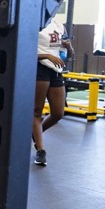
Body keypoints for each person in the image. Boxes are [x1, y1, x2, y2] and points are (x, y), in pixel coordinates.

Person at [33, 15, 69, 166]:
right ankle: (40, 150)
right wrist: (46, 55)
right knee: (36, 111)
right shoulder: (35, 23)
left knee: (58, 113)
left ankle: (36, 134)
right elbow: (24, 51)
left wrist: (69, 47)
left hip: (56, 71)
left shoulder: (59, 25)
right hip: (39, 68)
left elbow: (68, 55)